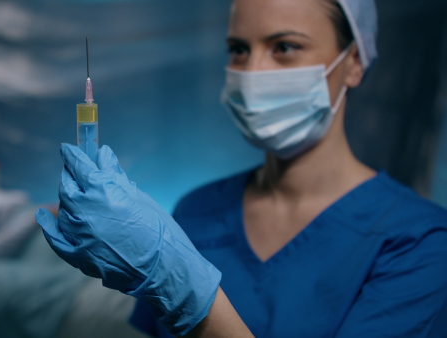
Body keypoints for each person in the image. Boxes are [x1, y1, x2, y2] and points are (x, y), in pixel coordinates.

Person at [35, 0, 447, 336]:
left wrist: (194, 301)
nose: (252, 73)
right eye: (239, 49)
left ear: (353, 62)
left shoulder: (420, 241)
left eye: (285, 47)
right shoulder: (197, 210)